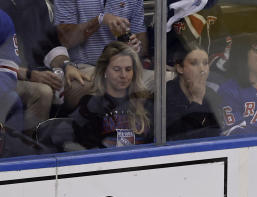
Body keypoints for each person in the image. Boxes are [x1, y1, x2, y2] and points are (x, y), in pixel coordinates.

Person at [1, 0, 84, 130]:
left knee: (82, 82)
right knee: (42, 92)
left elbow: (50, 46)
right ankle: (28, 146)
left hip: (36, 72)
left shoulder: (36, 3)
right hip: (7, 77)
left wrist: (66, 65)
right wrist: (29, 74)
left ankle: (85, 142)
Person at [53, 0, 148, 108]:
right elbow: (66, 39)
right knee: (114, 84)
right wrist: (100, 20)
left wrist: (136, 46)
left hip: (126, 67)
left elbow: (143, 46)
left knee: (166, 80)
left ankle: (140, 123)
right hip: (83, 67)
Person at [68, 40, 152, 147]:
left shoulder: (146, 101)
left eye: (128, 69)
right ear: (104, 71)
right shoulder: (91, 104)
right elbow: (84, 148)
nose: (123, 75)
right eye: (117, 69)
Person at [166, 39, 221, 140]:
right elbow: (176, 137)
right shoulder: (166, 95)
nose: (202, 70)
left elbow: (216, 134)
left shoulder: (212, 95)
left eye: (205, 63)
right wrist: (196, 100)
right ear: (180, 68)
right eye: (194, 63)